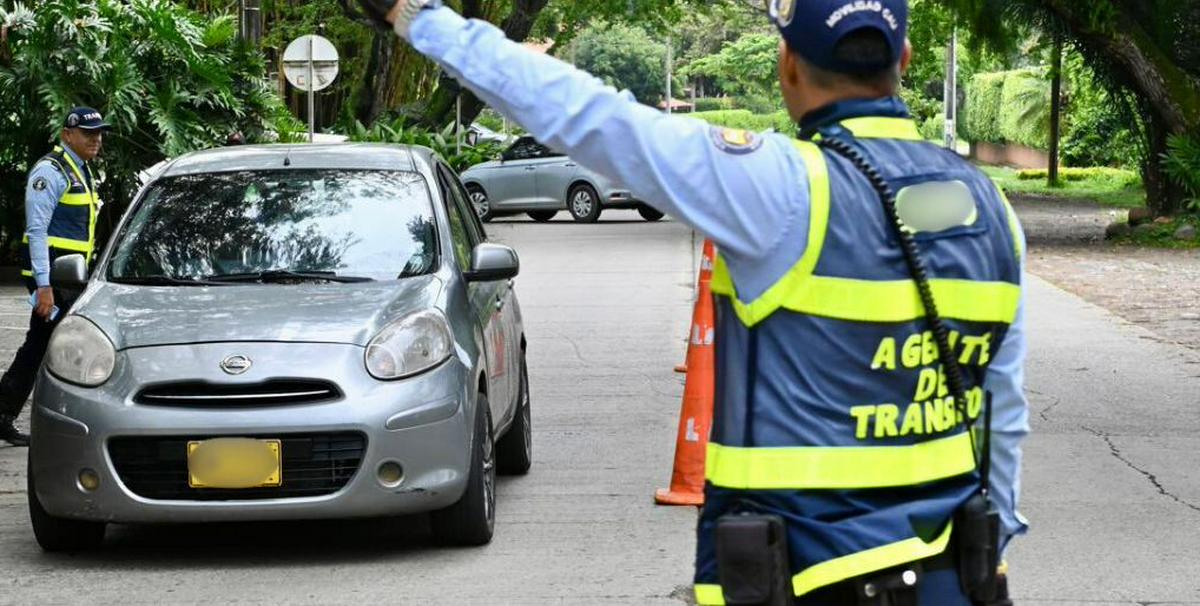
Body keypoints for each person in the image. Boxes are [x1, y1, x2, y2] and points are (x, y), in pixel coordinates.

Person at [357, 0, 1029, 603]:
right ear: (904, 60)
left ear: (788, 64)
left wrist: (418, 16)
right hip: (952, 575)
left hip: (810, 572)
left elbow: (587, 114)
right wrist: (986, 549)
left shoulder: (780, 188)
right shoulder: (991, 209)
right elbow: (1003, 412)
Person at [0, 107, 109, 446]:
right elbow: (37, 230)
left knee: (46, 344)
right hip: (50, 278)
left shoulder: (82, 170)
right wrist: (44, 286)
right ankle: (7, 413)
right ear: (67, 135)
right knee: (46, 344)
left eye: (99, 133)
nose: (96, 139)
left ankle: (6, 412)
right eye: (88, 133)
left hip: (69, 278)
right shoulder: (51, 171)